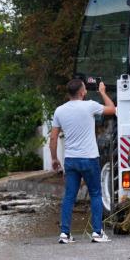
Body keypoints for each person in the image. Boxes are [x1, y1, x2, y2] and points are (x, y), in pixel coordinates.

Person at [50, 77, 116, 243]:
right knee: (95, 194)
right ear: (81, 92)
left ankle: (64, 234)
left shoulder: (59, 111)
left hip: (71, 160)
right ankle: (97, 233)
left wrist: (54, 158)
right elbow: (112, 109)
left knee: (69, 197)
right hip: (89, 159)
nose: (86, 90)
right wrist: (102, 92)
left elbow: (53, 138)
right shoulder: (90, 105)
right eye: (85, 88)